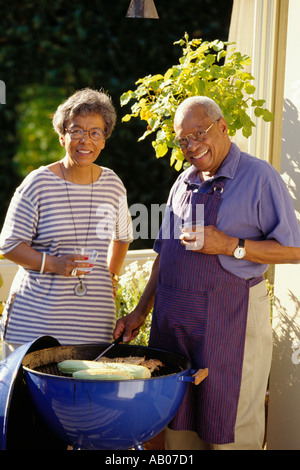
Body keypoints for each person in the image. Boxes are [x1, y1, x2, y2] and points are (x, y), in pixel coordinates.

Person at [114, 96, 300, 450]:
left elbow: (293, 250)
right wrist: (140, 310)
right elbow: (163, 256)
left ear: (223, 127)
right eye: (183, 139)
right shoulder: (182, 183)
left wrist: (230, 244)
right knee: (179, 427)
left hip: (231, 321)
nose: (191, 145)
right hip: (175, 329)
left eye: (199, 133)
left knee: (230, 427)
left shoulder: (259, 177)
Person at [0, 88, 133, 359]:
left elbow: (123, 236)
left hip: (94, 324)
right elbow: (9, 244)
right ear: (62, 137)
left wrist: (111, 275)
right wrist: (55, 264)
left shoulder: (113, 184)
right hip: (36, 326)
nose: (86, 140)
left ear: (104, 140)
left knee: (84, 399)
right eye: (76, 131)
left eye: (95, 132)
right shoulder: (38, 184)